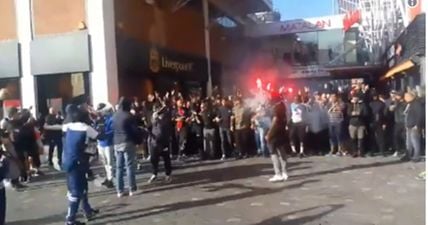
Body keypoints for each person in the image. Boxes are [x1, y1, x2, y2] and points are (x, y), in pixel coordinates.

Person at [62, 104, 99, 225]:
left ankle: (87, 210)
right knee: (76, 191)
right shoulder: (86, 128)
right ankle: (70, 219)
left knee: (82, 187)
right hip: (78, 162)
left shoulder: (68, 126)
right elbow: (99, 136)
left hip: (68, 160)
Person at [113, 97, 142, 197]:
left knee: (119, 167)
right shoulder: (129, 116)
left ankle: (119, 190)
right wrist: (138, 141)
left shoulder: (115, 115)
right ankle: (132, 189)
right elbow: (134, 131)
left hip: (117, 142)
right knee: (129, 166)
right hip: (127, 141)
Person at [266, 93, 289, 182]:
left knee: (273, 153)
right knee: (282, 151)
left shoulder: (276, 108)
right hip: (282, 131)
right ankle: (284, 172)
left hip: (275, 133)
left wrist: (269, 133)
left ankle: (278, 173)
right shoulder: (283, 106)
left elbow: (275, 120)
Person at [147, 102, 172, 183]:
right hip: (154, 141)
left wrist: (157, 118)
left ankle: (168, 174)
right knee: (154, 159)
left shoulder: (166, 116)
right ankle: (154, 173)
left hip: (164, 141)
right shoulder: (153, 117)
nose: (155, 111)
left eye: (156, 109)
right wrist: (153, 119)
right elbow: (149, 126)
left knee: (166, 158)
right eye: (154, 109)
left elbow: (164, 125)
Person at [96, 103, 115, 188]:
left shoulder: (111, 118)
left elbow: (112, 131)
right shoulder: (100, 119)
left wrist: (103, 135)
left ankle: (111, 179)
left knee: (110, 162)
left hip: (108, 143)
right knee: (104, 162)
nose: (99, 112)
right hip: (101, 143)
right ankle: (108, 177)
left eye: (101, 110)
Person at [402, 91, 423, 162]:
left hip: (414, 126)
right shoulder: (409, 104)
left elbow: (420, 115)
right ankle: (408, 155)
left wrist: (417, 125)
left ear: (410, 97)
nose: (404, 98)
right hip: (409, 126)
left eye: (406, 96)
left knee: (415, 142)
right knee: (408, 142)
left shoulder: (416, 104)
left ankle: (416, 156)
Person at [389, 91, 406, 157]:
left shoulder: (404, 103)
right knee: (395, 136)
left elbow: (404, 112)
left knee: (404, 137)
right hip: (397, 122)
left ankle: (406, 150)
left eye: (397, 95)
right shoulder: (396, 102)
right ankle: (398, 150)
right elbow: (391, 109)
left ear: (400, 96)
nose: (396, 97)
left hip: (403, 121)